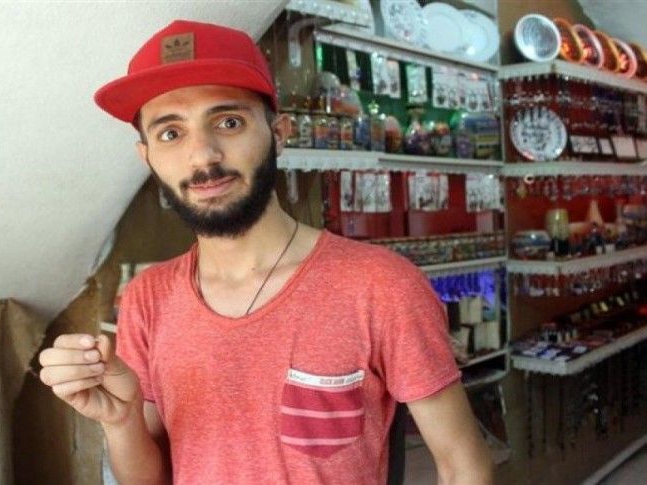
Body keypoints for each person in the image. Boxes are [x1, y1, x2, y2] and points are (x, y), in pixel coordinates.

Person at [38, 19, 493, 485]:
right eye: (171, 134)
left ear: (279, 133)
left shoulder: (380, 286)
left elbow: (463, 466)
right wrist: (121, 420)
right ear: (147, 156)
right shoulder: (146, 298)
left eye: (229, 122)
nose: (203, 155)